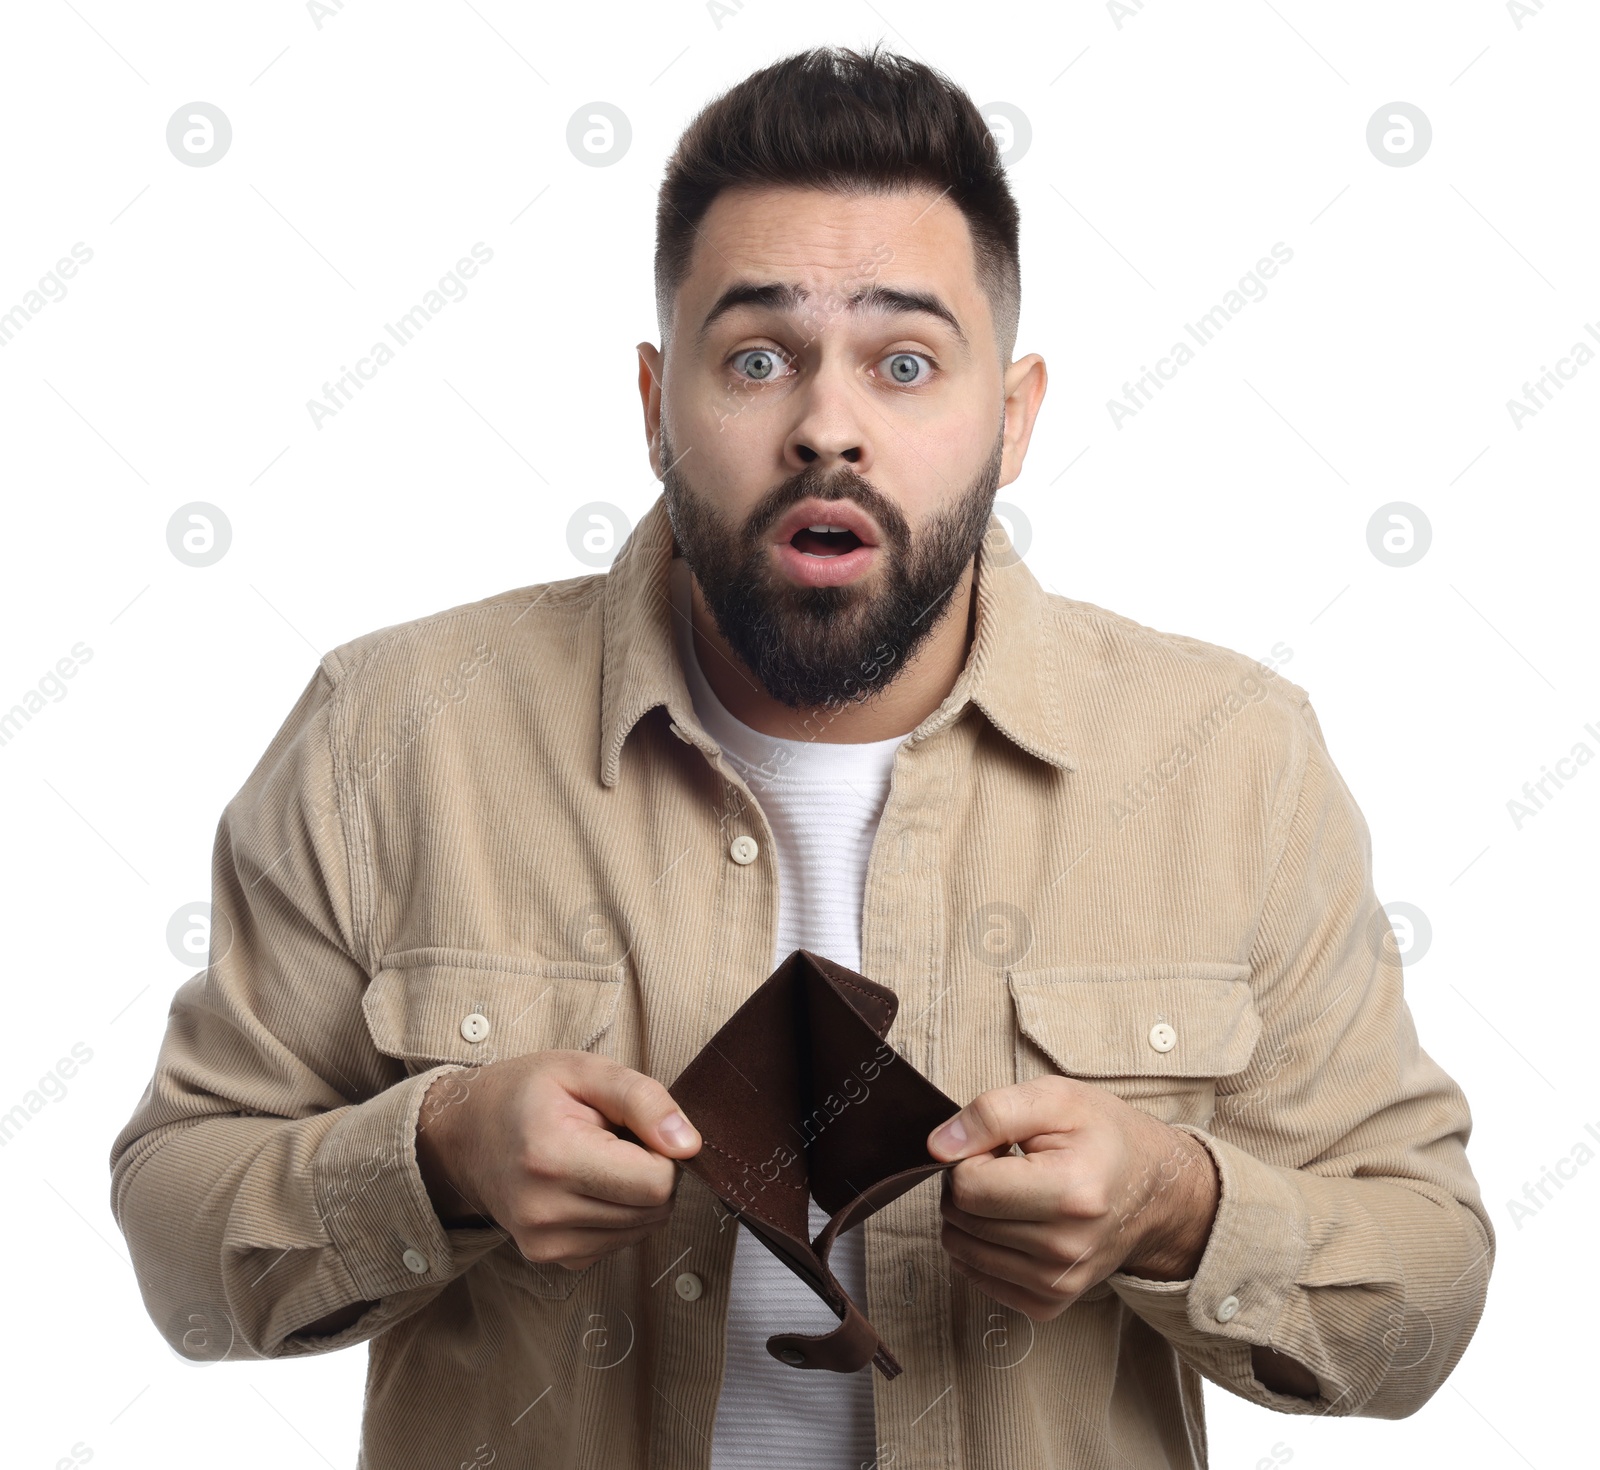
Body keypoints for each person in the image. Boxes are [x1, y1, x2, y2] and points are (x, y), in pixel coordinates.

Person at [111, 44, 1492, 1470]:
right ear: (656, 403)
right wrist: (439, 1153)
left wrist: (1175, 1204)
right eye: (757, 357)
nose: (828, 425)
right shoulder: (389, 730)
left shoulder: (1232, 761)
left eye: (906, 361)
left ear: (1012, 418)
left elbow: (1427, 1295)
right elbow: (176, 1233)